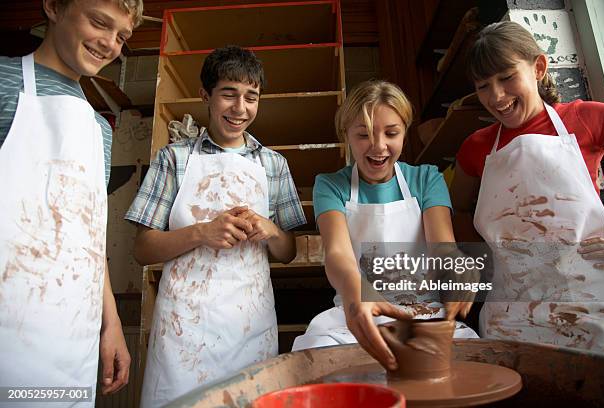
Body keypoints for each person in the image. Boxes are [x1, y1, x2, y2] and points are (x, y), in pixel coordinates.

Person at [126, 45, 306, 407]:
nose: (240, 108)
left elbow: (289, 253)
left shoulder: (273, 164)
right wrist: (201, 232)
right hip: (183, 328)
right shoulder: (174, 158)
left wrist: (269, 230)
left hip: (249, 324)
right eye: (229, 94)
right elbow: (142, 249)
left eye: (251, 97)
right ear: (205, 94)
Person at [0, 0, 142, 405]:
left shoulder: (98, 127)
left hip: (72, 337)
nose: (110, 44)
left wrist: (110, 323)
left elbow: (89, 237)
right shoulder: (5, 82)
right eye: (100, 22)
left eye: (122, 36)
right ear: (53, 7)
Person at [292, 80, 478, 371]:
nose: (378, 146)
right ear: (347, 136)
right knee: (314, 357)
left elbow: (444, 249)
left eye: (391, 133)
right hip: (355, 308)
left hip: (420, 312)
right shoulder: (330, 185)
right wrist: (356, 298)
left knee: (472, 359)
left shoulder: (427, 179)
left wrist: (461, 266)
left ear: (404, 131)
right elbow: (337, 254)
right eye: (363, 135)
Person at [451, 21, 604, 354]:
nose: (496, 96)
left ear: (538, 67)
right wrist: (477, 263)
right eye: (483, 86)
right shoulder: (475, 147)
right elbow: (458, 208)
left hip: (591, 301)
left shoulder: (584, 119)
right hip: (512, 311)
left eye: (507, 77)